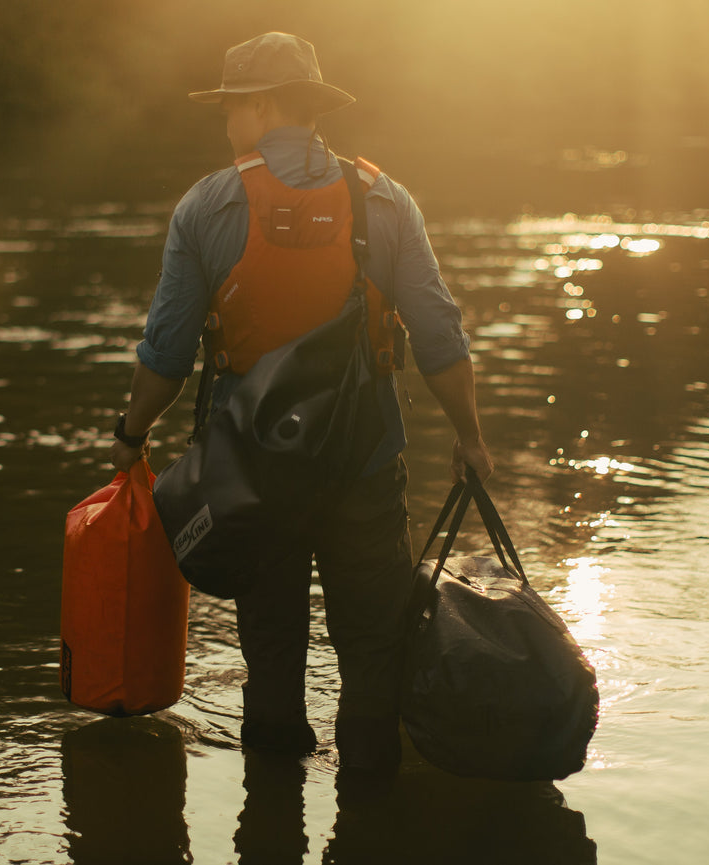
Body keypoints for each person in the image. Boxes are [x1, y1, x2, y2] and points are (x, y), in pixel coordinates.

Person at [108, 32, 492, 780]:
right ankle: (370, 804)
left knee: (272, 641)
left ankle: (270, 805)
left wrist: (131, 434)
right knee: (373, 643)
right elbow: (439, 333)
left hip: (253, 477)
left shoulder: (207, 205)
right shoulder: (382, 197)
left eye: (229, 109)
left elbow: (167, 354)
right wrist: (469, 436)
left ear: (258, 105)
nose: (225, 125)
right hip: (365, 460)